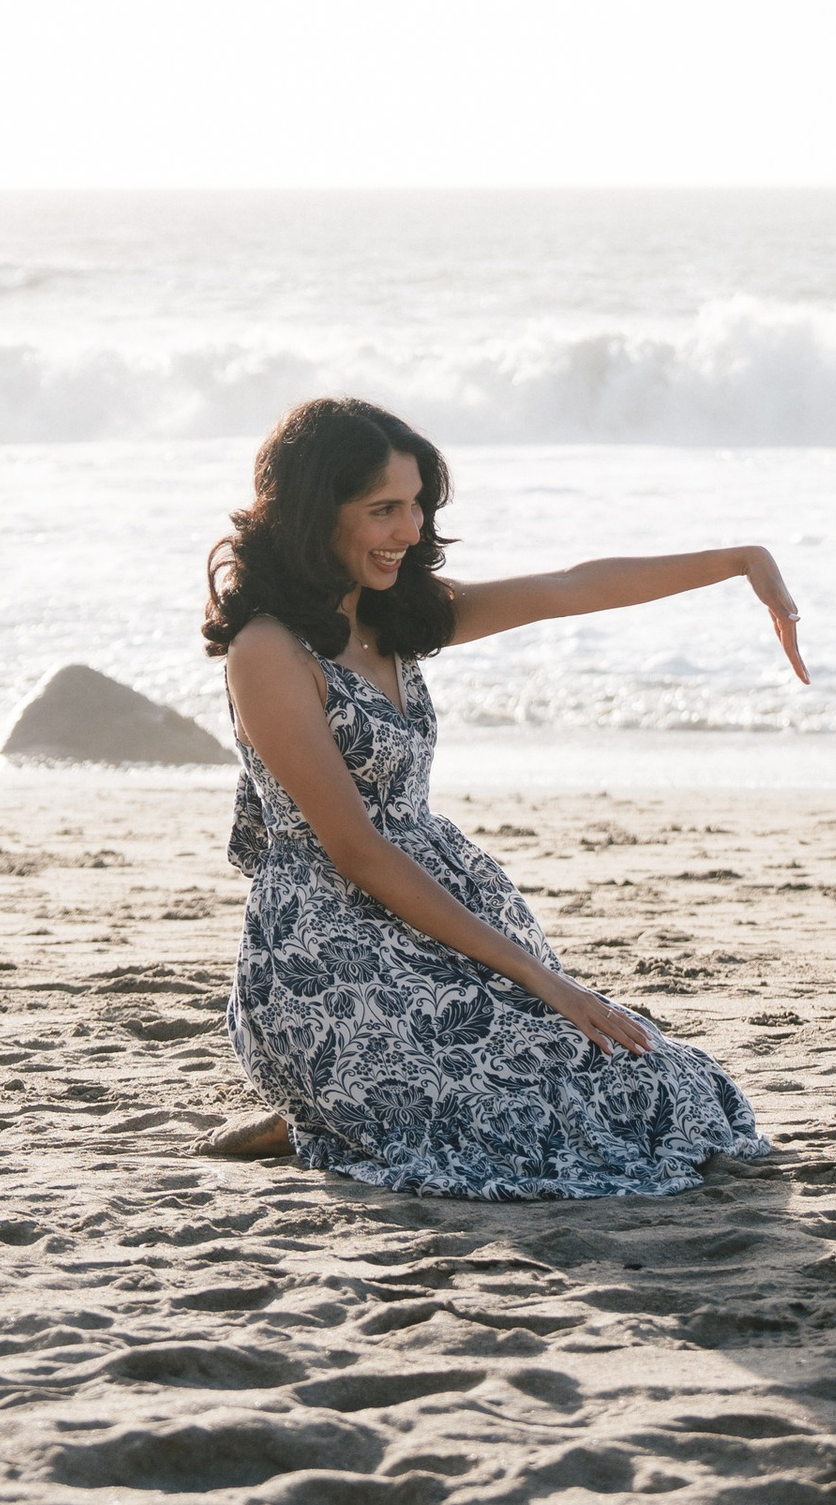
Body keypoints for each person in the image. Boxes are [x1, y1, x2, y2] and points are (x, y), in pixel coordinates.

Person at [208, 394, 804, 1197]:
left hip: (440, 918)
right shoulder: (269, 650)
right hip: (332, 953)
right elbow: (355, 849)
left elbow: (569, 586)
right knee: (540, 1119)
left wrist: (736, 561)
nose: (411, 530)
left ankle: (336, 1111)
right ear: (317, 512)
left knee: (663, 1084)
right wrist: (547, 980)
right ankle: (328, 1102)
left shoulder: (393, 616)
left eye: (417, 505)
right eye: (384, 509)